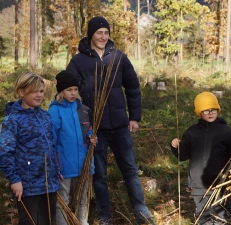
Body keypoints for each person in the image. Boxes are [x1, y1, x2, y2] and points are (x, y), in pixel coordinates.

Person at [66, 16, 155, 225]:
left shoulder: (119, 58)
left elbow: (133, 88)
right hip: (95, 129)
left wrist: (134, 117)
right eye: (99, 33)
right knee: (99, 176)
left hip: (120, 126)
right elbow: (71, 93)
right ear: (91, 34)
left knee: (131, 170)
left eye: (106, 32)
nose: (103, 36)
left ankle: (142, 213)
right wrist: (81, 125)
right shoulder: (78, 61)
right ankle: (105, 216)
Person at [170, 92, 231, 225]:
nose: (210, 112)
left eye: (213, 109)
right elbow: (183, 155)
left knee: (222, 213)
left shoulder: (225, 131)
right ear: (199, 112)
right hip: (198, 182)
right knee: (203, 214)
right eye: (206, 110)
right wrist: (176, 147)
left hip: (220, 181)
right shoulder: (191, 132)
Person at [0, 72, 61, 225]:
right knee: (29, 221)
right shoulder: (13, 120)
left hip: (48, 183)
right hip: (28, 184)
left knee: (48, 220)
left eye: (41, 91)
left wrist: (56, 170)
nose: (39, 95)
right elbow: (5, 152)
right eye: (34, 91)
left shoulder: (45, 117)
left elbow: (51, 147)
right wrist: (14, 180)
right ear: (21, 92)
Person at [49, 70, 96, 225]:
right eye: (69, 90)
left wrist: (93, 139)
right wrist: (56, 166)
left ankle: (82, 222)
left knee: (83, 199)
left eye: (76, 89)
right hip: (64, 166)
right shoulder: (55, 110)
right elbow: (51, 141)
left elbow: (90, 132)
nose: (73, 93)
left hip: (84, 164)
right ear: (61, 91)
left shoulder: (84, 110)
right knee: (61, 201)